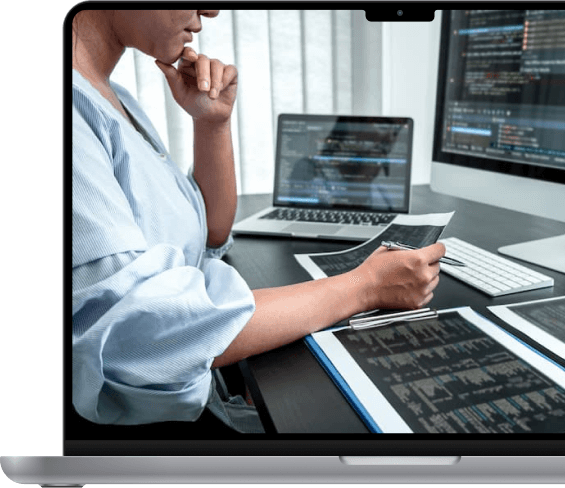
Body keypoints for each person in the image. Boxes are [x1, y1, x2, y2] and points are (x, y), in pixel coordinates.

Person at [71, 9, 446, 432]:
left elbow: (208, 233)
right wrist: (365, 286)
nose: (209, 13)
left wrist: (212, 123)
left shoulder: (114, 96)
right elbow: (145, 330)